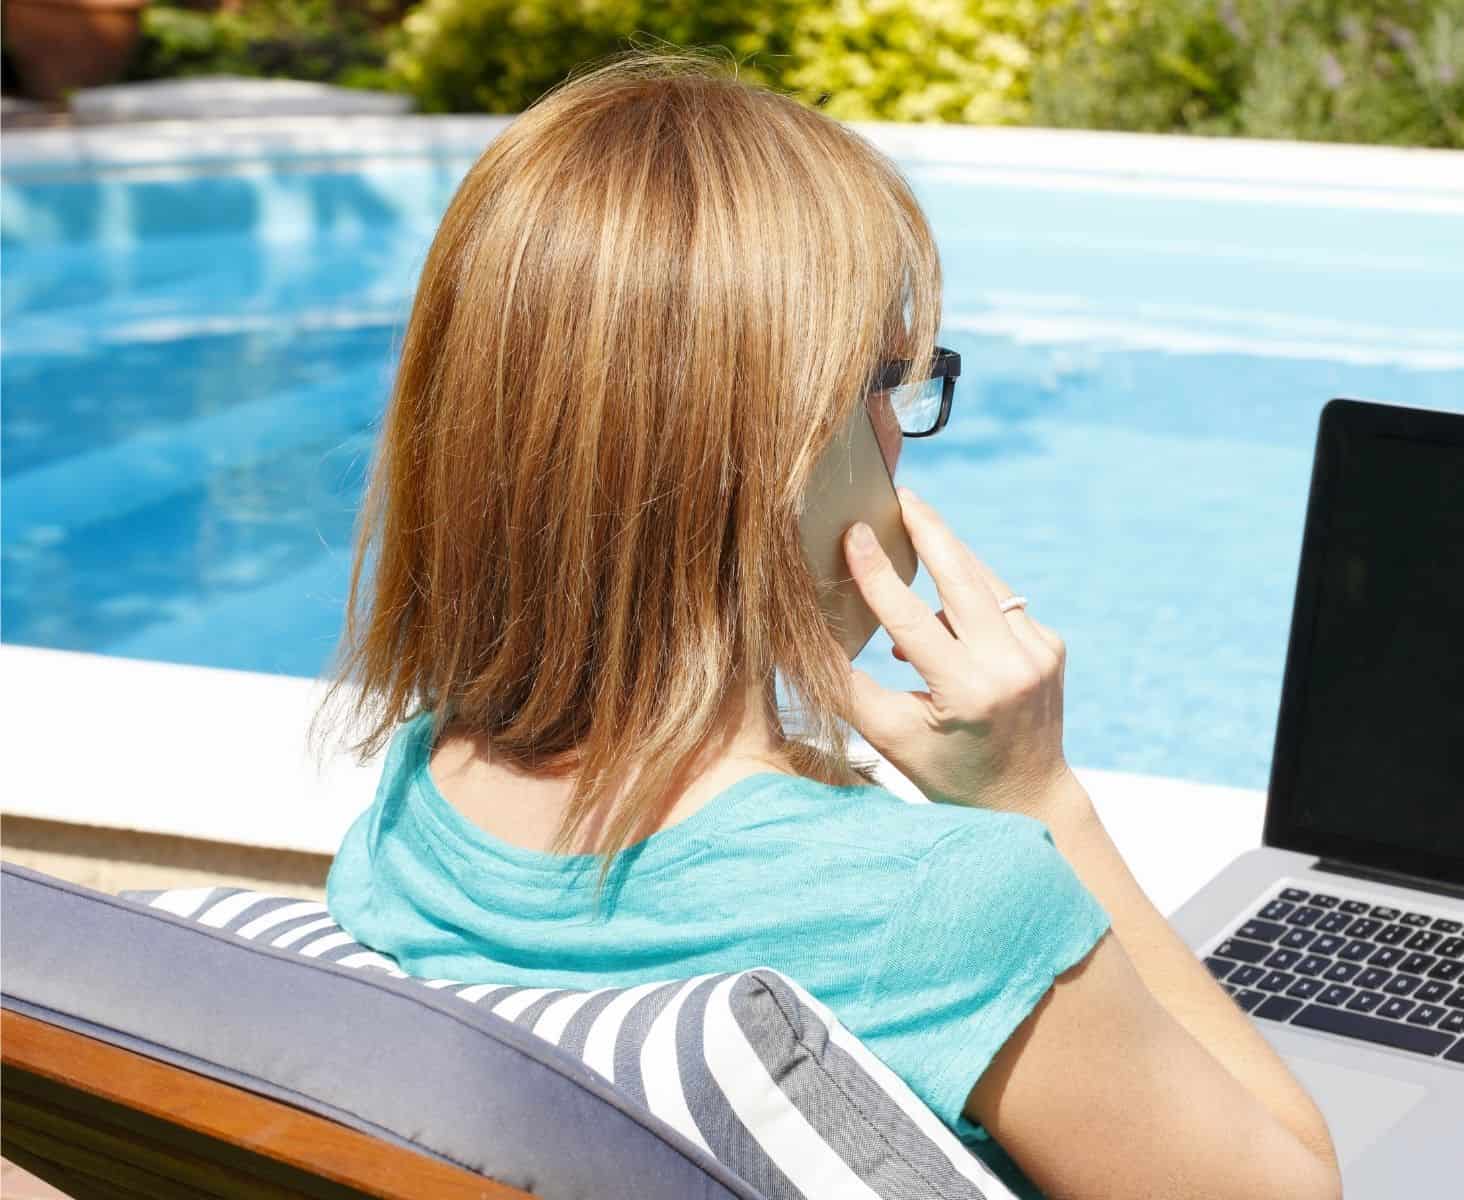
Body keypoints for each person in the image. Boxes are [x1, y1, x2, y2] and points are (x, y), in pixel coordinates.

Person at [315, 49, 1341, 1200]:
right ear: (790, 456)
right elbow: (1295, 1183)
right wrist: (1035, 800)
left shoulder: (422, 803)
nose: (901, 435)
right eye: (895, 382)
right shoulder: (939, 906)